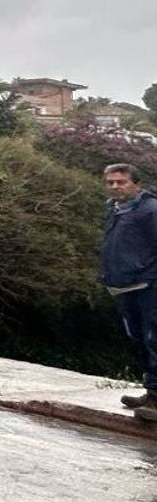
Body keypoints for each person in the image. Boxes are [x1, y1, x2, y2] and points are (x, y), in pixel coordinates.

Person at [101, 163, 157, 421]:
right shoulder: (115, 209)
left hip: (149, 287)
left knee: (154, 338)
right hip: (124, 286)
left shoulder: (150, 209)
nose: (115, 186)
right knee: (138, 340)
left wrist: (149, 276)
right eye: (111, 182)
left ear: (135, 183)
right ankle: (151, 391)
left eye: (121, 182)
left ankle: (156, 399)